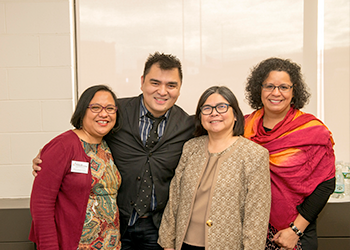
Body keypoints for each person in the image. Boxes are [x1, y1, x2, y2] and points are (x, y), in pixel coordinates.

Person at [32, 52, 195, 250]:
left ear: (179, 89)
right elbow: (79, 140)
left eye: (171, 85)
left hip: (156, 227)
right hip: (119, 225)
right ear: (142, 82)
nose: (162, 91)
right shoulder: (116, 112)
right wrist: (48, 158)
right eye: (155, 83)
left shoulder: (188, 125)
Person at [158, 86, 271, 250]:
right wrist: (168, 243)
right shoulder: (191, 148)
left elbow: (257, 215)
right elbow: (174, 197)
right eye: (207, 108)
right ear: (201, 117)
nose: (214, 113)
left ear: (236, 116)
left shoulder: (254, 155)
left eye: (222, 107)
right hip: (184, 243)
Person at [244, 58, 335, 250]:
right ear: (258, 89)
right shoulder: (242, 128)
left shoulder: (312, 131)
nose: (276, 93)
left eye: (284, 87)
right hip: (249, 231)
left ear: (294, 91)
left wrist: (296, 230)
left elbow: (326, 183)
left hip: (294, 233)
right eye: (269, 86)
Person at [29, 85, 122, 249]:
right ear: (82, 110)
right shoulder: (63, 146)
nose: (104, 114)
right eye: (95, 107)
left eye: (110, 108)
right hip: (74, 245)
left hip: (110, 244)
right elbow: (41, 204)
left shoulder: (107, 147)